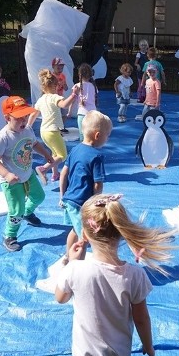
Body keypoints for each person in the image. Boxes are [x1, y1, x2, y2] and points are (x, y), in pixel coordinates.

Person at [55, 193, 176, 356]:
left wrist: (72, 262)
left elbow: (60, 298)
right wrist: (148, 346)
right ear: (121, 232)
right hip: (116, 354)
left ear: (84, 234)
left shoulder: (75, 269)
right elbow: (141, 319)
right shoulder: (136, 275)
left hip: (84, 355)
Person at [0, 95, 55, 252]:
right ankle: (9, 235)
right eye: (18, 118)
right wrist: (7, 175)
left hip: (27, 173)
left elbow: (35, 143)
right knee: (16, 210)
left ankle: (27, 213)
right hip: (11, 181)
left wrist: (45, 154)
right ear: (7, 118)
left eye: (25, 116)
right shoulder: (2, 138)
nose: (24, 121)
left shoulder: (27, 130)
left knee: (39, 196)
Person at [58, 110, 112, 262]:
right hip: (81, 203)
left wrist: (62, 196)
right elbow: (97, 184)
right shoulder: (97, 156)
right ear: (97, 135)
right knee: (84, 237)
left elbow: (63, 174)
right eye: (107, 135)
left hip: (69, 199)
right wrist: (97, 203)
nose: (107, 139)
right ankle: (77, 269)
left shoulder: (75, 149)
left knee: (75, 231)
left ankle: (68, 256)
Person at [28, 69, 77, 183]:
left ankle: (55, 174)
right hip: (53, 131)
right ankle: (43, 168)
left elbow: (33, 115)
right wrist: (74, 94)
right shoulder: (55, 97)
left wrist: (28, 127)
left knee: (55, 153)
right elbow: (64, 105)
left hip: (44, 132)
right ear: (55, 85)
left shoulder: (40, 100)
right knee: (62, 155)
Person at [71, 63, 99, 141]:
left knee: (82, 134)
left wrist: (69, 111)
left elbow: (73, 99)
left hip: (82, 113)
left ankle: (83, 148)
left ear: (79, 74)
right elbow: (94, 97)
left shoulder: (77, 86)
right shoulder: (93, 86)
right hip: (93, 113)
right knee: (91, 133)